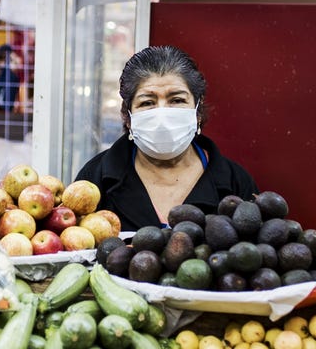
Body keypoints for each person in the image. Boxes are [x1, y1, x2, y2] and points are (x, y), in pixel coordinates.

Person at [75, 46, 258, 232]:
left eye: (177, 100)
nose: (162, 115)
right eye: (147, 102)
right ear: (128, 117)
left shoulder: (235, 183)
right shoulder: (95, 180)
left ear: (198, 113)